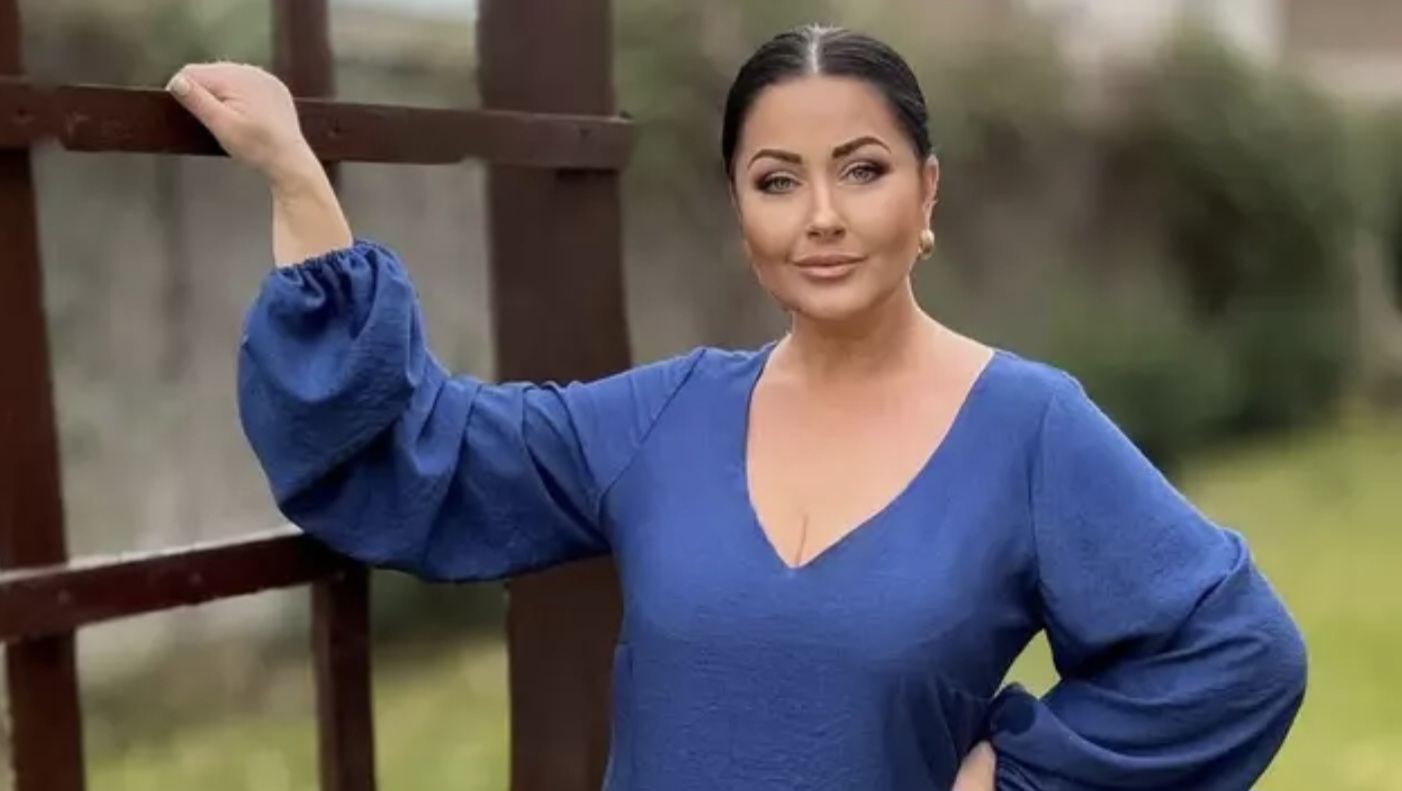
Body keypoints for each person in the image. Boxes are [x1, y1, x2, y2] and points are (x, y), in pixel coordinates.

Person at [167, 24, 1307, 791]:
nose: (821, 216)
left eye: (862, 169)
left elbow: (1238, 652)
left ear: (927, 191)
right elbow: (416, 452)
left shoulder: (1030, 429)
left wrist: (1023, 776)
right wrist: (299, 182)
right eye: (776, 181)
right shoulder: (666, 419)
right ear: (739, 211)